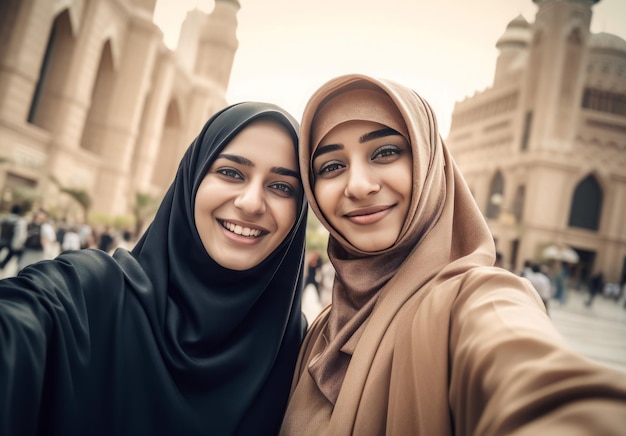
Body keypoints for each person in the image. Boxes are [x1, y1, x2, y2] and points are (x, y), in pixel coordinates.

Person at [280, 74, 626, 435]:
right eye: (332, 166)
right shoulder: (322, 330)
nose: (359, 186)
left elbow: (535, 381)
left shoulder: (471, 300)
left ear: (431, 164)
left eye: (385, 153)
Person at [0, 102, 308, 436]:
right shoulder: (90, 295)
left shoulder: (295, 350)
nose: (250, 202)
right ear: (192, 178)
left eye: (281, 187)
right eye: (231, 173)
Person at [0, 203, 27, 271]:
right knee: (19, 254)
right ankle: (19, 270)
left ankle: (3, 264)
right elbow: (21, 235)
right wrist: (17, 245)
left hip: (2, 240)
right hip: (12, 243)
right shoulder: (20, 221)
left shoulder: (4, 219)